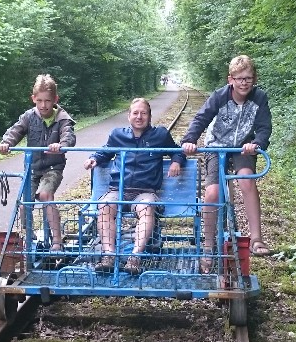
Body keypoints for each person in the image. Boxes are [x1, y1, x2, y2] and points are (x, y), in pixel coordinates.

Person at [181, 54, 273, 272]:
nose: (244, 83)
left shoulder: (259, 98)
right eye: (239, 78)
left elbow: (264, 127)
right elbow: (201, 118)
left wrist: (257, 142)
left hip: (243, 146)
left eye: (248, 78)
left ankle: (256, 238)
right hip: (216, 146)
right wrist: (189, 140)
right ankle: (208, 245)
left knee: (247, 182)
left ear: (255, 78)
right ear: (230, 79)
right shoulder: (219, 96)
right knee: (212, 193)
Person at [84, 98, 186, 275]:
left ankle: (134, 258)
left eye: (143, 113)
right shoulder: (118, 135)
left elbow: (178, 151)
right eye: (135, 113)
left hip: (145, 192)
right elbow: (104, 152)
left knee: (147, 208)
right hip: (118, 190)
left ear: (149, 116)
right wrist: (94, 159)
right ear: (129, 116)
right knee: (105, 206)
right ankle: (109, 255)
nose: (139, 117)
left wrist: (176, 161)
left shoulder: (160, 135)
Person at [0, 74, 76, 255]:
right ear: (33, 99)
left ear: (55, 99)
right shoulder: (29, 116)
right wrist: (6, 143)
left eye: (47, 101)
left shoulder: (62, 118)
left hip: (52, 167)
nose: (43, 105)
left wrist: (62, 145)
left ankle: (57, 241)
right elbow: (15, 131)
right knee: (25, 202)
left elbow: (68, 136)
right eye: (39, 100)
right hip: (32, 168)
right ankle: (29, 238)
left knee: (45, 195)